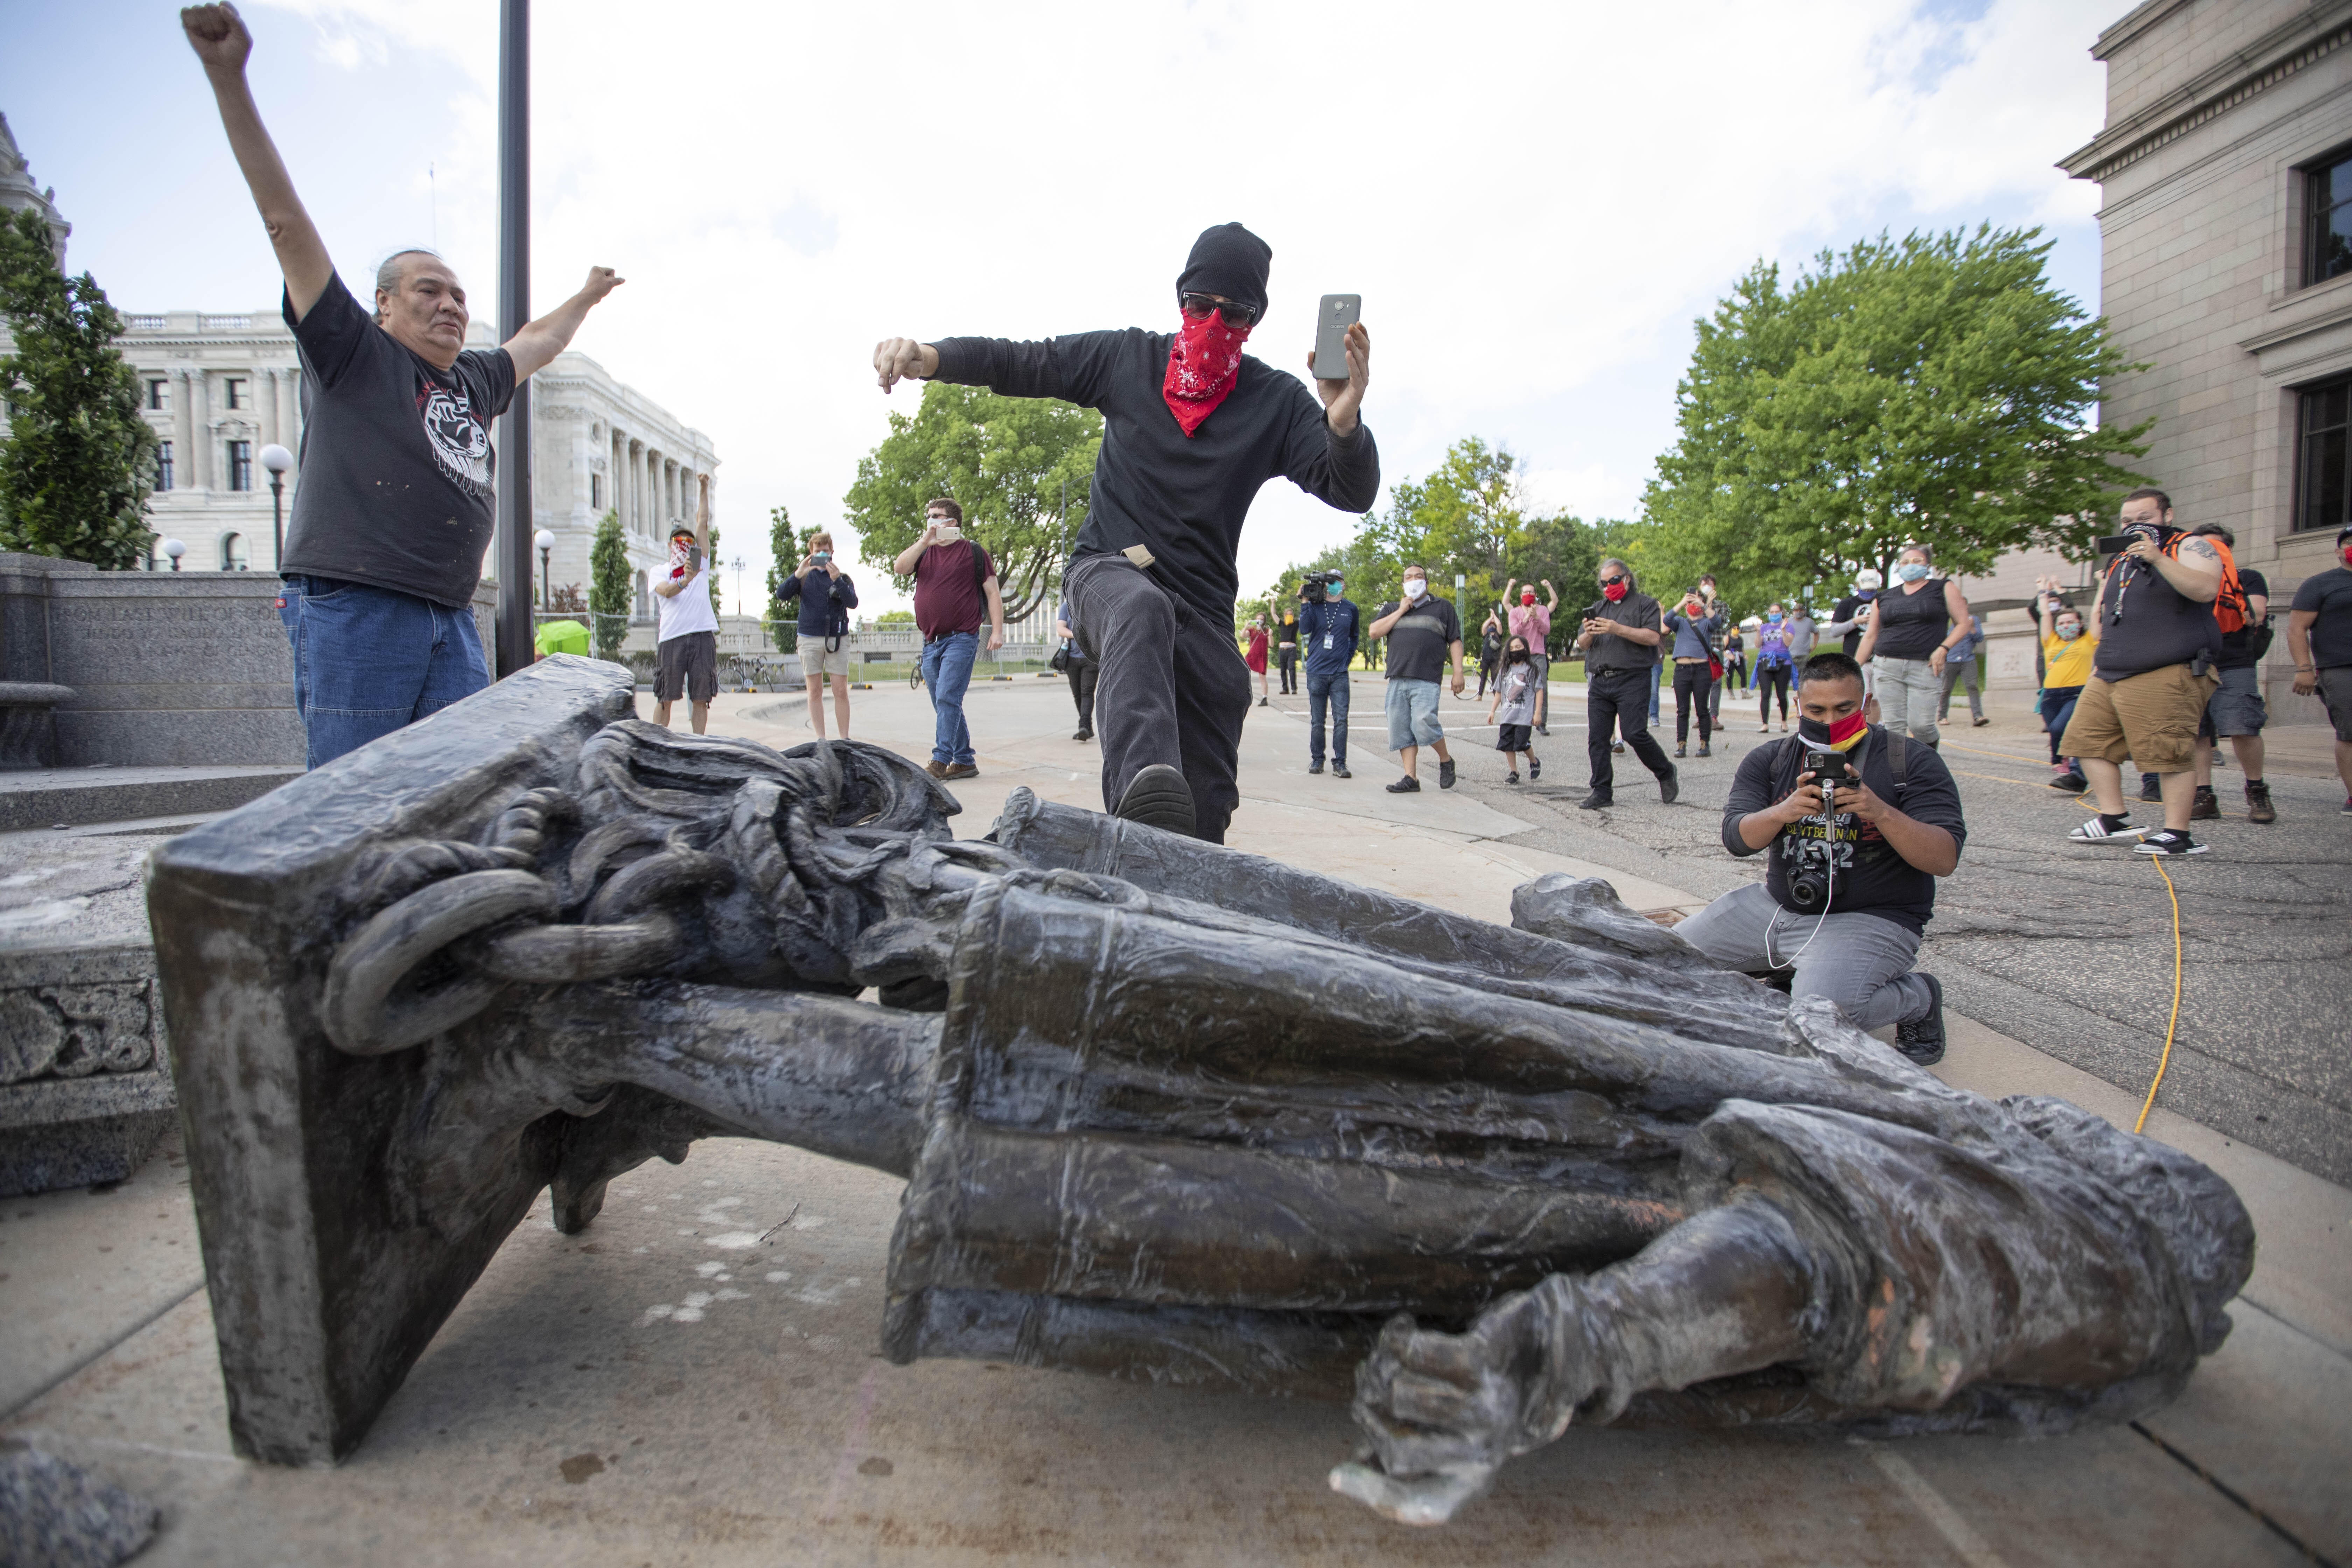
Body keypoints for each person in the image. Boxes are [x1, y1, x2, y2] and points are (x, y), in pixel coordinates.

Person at [186, 2, 623, 769]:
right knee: (357, 798)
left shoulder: (472, 379)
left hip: (448, 615)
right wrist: (230, 78)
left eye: (458, 295)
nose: (450, 304)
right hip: (358, 605)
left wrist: (586, 296)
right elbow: (285, 222)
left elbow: (536, 342)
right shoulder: (351, 349)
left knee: (458, 789)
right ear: (384, 304)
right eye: (429, 290)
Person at [872, 222, 1377, 843]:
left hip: (1205, 610)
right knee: (1142, 609)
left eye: (1233, 314)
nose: (1213, 323)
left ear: (1255, 321)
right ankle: (1142, 794)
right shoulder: (1128, 359)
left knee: (1210, 787)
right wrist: (929, 358)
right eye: (1200, 307)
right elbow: (1027, 361)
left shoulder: (1274, 400)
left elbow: (1350, 491)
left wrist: (1343, 419)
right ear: (1180, 300)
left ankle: (1186, 855)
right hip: (1107, 575)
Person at [1674, 650, 1964, 1062]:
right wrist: (1784, 811)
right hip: (1776, 907)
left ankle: (1917, 997)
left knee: (1814, 1022)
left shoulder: (1909, 761)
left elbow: (1944, 858)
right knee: (1662, 960)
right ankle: (1792, 971)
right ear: (1797, 707)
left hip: (1872, 917)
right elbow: (1737, 840)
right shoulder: (1771, 759)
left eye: (1843, 709)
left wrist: (1877, 809)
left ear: (1865, 705)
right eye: (1817, 710)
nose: (1829, 722)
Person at [2059, 488, 2224, 857]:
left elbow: (2205, 589)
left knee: (2168, 752)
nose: (2134, 526)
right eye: (2127, 521)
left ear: (2167, 515)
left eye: (2144, 518)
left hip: (2167, 668)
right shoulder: (2122, 559)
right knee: (2086, 741)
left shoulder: (2190, 546)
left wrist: (2158, 557)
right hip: (2113, 669)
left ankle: (2178, 833)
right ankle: (2113, 818)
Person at [892, 498, 1007, 782]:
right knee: (944, 702)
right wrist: (924, 542)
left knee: (947, 698)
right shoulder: (924, 552)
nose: (931, 520)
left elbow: (993, 593)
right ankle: (965, 761)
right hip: (930, 641)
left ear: (952, 523)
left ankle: (941, 759)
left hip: (962, 638)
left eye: (937, 516)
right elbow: (900, 568)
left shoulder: (973, 552)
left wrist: (997, 631)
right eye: (928, 516)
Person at [2185, 524, 2274, 825]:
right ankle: (2204, 795)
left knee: (2243, 726)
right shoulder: (2186, 579)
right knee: (2198, 732)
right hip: (2192, 660)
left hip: (2234, 661)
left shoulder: (2247, 578)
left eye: (2215, 548)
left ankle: (2257, 789)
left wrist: (2224, 582)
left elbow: (2255, 617)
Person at [1573, 560, 1676, 810]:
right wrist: (1590, 632)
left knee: (1633, 733)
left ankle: (1665, 771)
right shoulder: (1598, 608)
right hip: (1600, 680)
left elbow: (1653, 637)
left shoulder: (1646, 605)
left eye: (1614, 581)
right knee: (1597, 738)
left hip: (1633, 678)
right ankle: (1601, 791)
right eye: (1605, 583)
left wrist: (1618, 629)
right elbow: (1582, 643)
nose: (1609, 587)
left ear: (1627, 579)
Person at [1855, 544, 1972, 749]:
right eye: (1905, 562)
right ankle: (1898, 774)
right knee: (1894, 727)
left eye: (1917, 561)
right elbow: (1871, 635)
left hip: (1925, 666)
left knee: (1922, 726)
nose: (1911, 566)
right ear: (1899, 567)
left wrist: (1944, 648)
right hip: (1887, 666)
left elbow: (1963, 624)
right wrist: (1854, 667)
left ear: (1928, 565)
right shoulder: (1884, 597)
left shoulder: (1943, 588)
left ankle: (1927, 763)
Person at [1370, 566, 1465, 792]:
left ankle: (1445, 760)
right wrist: (1401, 610)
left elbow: (1455, 640)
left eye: (1419, 576)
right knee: (1402, 729)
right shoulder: (1392, 608)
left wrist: (1458, 672)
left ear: (1427, 582)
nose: (1414, 580)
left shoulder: (1443, 607)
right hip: (1397, 678)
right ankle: (1411, 778)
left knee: (1423, 722)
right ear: (1403, 584)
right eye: (1409, 577)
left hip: (1427, 678)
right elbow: (1374, 632)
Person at [2287, 520, 2352, 816]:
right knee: (2349, 733)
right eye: (2350, 543)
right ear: (2339, 551)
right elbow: (2297, 629)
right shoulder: (2320, 584)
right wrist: (2305, 669)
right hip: (2341, 668)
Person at [776, 530, 860, 740]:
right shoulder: (804, 578)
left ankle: (844, 738)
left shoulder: (843, 578)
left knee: (840, 690)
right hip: (808, 638)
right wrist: (798, 572)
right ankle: (821, 739)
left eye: (826, 551)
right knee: (814, 691)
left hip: (837, 639)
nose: (822, 555)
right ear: (811, 553)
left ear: (832, 552)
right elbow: (781, 594)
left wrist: (837, 579)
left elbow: (853, 603)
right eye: (818, 552)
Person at [652, 477, 718, 735]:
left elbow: (703, 522)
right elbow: (666, 592)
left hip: (701, 633)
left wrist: (703, 487)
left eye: (689, 542)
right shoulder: (660, 571)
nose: (685, 543)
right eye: (679, 541)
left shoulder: (700, 565)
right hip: (672, 637)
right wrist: (684, 580)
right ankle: (656, 743)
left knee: (701, 697)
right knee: (665, 696)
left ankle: (698, 744)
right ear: (671, 546)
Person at [2033, 576, 2096, 792]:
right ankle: (2068, 765)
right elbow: (2045, 614)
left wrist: (2061, 591)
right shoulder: (2052, 641)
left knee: (2065, 727)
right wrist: (2043, 592)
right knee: (2055, 730)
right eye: (2061, 623)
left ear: (2080, 624)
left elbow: (2097, 613)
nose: (2065, 626)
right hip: (2051, 695)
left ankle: (2074, 770)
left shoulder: (2088, 640)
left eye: (2070, 622)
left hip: (2077, 693)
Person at [1298, 573, 1360, 779]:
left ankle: (1340, 763)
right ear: (1324, 586)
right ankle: (1318, 759)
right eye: (1330, 583)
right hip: (1317, 672)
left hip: (1339, 674)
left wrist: (1347, 659)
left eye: (1337, 582)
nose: (1334, 586)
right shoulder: (1315, 606)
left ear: (1343, 585)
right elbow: (1305, 629)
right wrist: (1305, 601)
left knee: (1341, 720)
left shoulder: (1351, 609)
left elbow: (1354, 637)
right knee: (1318, 720)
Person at [1662, 588, 1723, 759]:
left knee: (1703, 709)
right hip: (1682, 670)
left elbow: (1717, 622)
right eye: (1691, 601)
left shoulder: (1706, 623)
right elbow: (1667, 620)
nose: (1692, 604)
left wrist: (1703, 605)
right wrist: (1682, 602)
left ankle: (1705, 744)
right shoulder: (1681, 622)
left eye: (1695, 600)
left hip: (1701, 669)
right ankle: (1681, 745)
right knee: (1682, 710)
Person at [1822, 569, 1883, 722]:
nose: (1869, 592)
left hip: (1880, 658)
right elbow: (1835, 631)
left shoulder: (1883, 602)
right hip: (1856, 659)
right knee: (1861, 699)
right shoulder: (1848, 604)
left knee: (1876, 700)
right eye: (1866, 589)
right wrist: (1855, 622)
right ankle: (1859, 730)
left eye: (1872, 589)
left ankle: (1873, 731)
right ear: (1858, 586)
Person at [1503, 579, 1558, 734]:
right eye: (1525, 592)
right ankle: (1519, 721)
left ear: (1536, 595)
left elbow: (1547, 630)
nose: (1528, 594)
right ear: (1521, 596)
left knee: (1542, 688)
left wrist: (1536, 618)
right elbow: (1515, 632)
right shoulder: (1515, 612)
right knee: (1518, 689)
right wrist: (1527, 618)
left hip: (1538, 655)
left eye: (1531, 592)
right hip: (1520, 656)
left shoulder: (1543, 611)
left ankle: (1541, 723)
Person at [1486, 635, 1541, 784]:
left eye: (1518, 647)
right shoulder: (1505, 670)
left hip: (1524, 717)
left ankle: (1534, 762)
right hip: (1508, 716)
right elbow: (1499, 692)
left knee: (1522, 743)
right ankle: (1514, 772)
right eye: (1511, 649)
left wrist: (1538, 713)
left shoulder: (1532, 670)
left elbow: (1539, 690)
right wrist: (1492, 711)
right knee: (1507, 744)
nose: (1515, 651)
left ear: (1525, 649)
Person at [1054, 598, 1097, 742]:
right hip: (1071, 658)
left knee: (1087, 692)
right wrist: (1076, 635)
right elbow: (1061, 628)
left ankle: (1083, 725)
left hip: (1091, 657)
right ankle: (1087, 728)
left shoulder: (1093, 605)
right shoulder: (1067, 606)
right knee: (1077, 694)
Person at [1937, 610, 1988, 728]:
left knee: (1972, 687)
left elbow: (1980, 638)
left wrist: (1972, 629)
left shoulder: (1973, 620)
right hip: (1950, 660)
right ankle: (1942, 716)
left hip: (1968, 659)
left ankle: (1978, 716)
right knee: (1946, 689)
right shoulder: (1947, 621)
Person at [1753, 603, 1796, 734]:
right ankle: (1765, 724)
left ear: (1782, 612)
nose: (1774, 614)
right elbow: (1757, 645)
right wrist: (1759, 632)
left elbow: (1788, 643)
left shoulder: (1789, 626)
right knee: (1765, 694)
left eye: (1776, 612)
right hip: (1765, 662)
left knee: (1782, 695)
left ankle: (1784, 721)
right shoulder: (1765, 627)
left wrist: (1783, 630)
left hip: (1783, 663)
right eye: (1771, 612)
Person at [1475, 611, 1504, 699]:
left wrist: (1494, 616)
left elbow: (1499, 624)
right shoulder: (1486, 635)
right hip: (1485, 660)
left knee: (1495, 678)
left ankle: (1496, 697)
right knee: (1483, 677)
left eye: (1493, 625)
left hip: (1495, 659)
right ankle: (1480, 696)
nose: (1492, 626)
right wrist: (1491, 618)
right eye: (1490, 625)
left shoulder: (1498, 635)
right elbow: (1484, 626)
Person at [1245, 617, 1272, 706]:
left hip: (1262, 656)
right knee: (1245, 672)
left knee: (1262, 677)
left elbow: (1272, 644)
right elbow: (1243, 636)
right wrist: (1247, 626)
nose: (1260, 621)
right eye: (1258, 619)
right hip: (1252, 656)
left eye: (1262, 619)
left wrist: (1270, 635)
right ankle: (1244, 693)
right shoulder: (1252, 630)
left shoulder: (1266, 630)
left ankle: (1265, 698)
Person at [1275, 603, 1301, 696]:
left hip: (1291, 649)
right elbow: (1274, 615)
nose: (1290, 616)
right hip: (1282, 650)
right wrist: (1273, 603)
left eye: (1291, 614)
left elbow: (1303, 616)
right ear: (1285, 615)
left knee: (1291, 668)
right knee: (1283, 670)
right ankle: (1285, 689)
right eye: (1288, 614)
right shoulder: (1282, 623)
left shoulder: (1296, 624)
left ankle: (1294, 688)